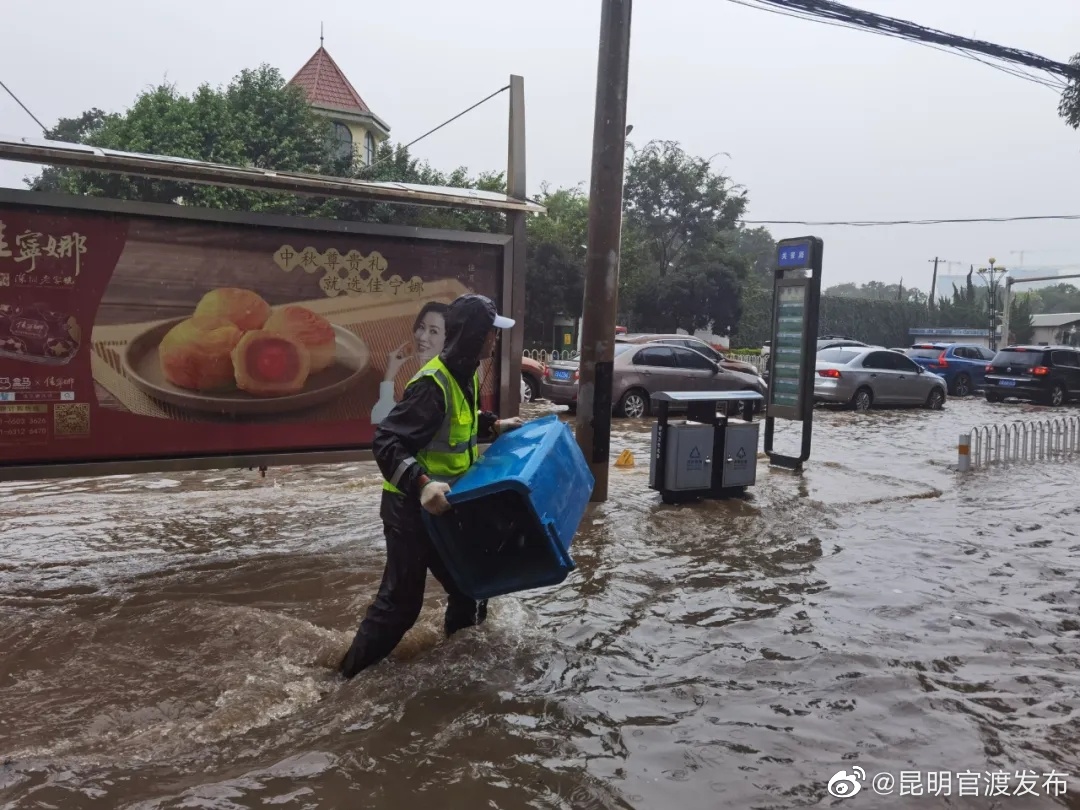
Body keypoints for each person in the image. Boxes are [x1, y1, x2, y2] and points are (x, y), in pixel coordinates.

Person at [340, 293, 525, 679]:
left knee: (470, 585)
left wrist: (491, 424)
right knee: (401, 606)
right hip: (409, 510)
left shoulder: (466, 373)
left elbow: (457, 421)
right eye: (491, 332)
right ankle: (344, 679)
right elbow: (386, 441)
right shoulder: (431, 385)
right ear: (475, 336)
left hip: (444, 508)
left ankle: (460, 666)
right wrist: (422, 484)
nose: (495, 339)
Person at [370, 302, 450, 425]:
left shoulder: (439, 380)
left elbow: (382, 419)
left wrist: (388, 378)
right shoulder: (424, 372)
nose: (422, 337)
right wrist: (390, 373)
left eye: (433, 331)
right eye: (422, 327)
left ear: (449, 338)